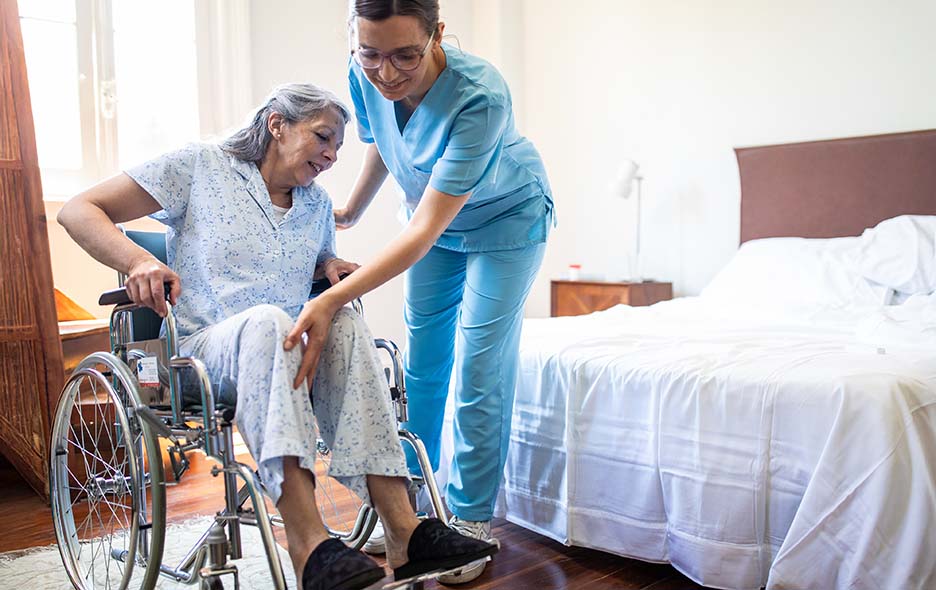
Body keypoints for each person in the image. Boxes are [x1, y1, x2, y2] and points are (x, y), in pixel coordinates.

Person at [56, 83, 497, 590]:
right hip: (205, 353)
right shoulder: (200, 166)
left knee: (344, 317)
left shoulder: (315, 204)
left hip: (289, 357)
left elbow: (309, 265)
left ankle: (405, 531)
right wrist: (137, 260)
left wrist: (329, 265)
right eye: (323, 137)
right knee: (268, 320)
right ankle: (309, 545)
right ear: (277, 124)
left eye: (338, 147)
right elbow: (79, 209)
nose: (332, 155)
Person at [284, 1, 554, 582]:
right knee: (423, 366)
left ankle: (471, 518)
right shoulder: (366, 70)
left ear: (437, 36)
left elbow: (426, 227)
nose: (387, 72)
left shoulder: (480, 96)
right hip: (433, 222)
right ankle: (408, 510)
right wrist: (354, 206)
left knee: (479, 363)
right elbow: (385, 138)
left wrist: (331, 298)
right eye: (372, 54)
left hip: (505, 222)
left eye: (406, 55)